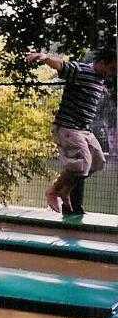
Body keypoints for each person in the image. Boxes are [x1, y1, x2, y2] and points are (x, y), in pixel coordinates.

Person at [26, 48, 116, 214]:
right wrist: (45, 58)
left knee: (98, 161)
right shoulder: (81, 70)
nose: (113, 74)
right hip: (67, 126)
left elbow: (91, 85)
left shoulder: (99, 78)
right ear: (102, 63)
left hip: (83, 129)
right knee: (83, 163)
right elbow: (62, 65)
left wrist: (101, 89)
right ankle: (53, 190)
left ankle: (65, 191)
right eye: (112, 69)